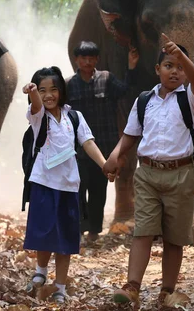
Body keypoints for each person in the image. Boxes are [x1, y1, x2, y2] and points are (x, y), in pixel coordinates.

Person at [103, 34, 194, 308]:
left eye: (180, 67)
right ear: (157, 70)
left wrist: (182, 56)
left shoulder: (190, 99)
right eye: (169, 65)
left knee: (174, 238)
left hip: (181, 175)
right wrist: (115, 155)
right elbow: (130, 134)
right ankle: (132, 287)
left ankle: (167, 291)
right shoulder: (144, 100)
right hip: (147, 173)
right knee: (142, 232)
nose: (175, 71)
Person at [22, 66, 113, 304]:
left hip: (70, 186)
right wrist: (32, 92)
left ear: (62, 91)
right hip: (44, 183)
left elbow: (88, 142)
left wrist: (104, 165)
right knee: (44, 233)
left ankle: (60, 287)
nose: (48, 95)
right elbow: (36, 106)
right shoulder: (38, 116)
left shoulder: (75, 116)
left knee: (65, 239)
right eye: (42, 90)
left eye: (53, 89)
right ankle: (41, 271)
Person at [66, 41, 139, 242]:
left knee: (98, 189)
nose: (87, 62)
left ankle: (94, 231)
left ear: (96, 59)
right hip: (77, 149)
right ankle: (79, 230)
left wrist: (131, 67)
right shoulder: (69, 84)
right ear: (76, 60)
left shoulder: (106, 79)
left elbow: (125, 90)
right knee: (78, 188)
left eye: (91, 58)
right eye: (83, 58)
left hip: (104, 147)